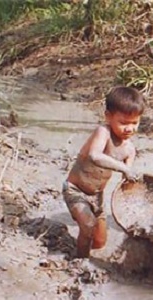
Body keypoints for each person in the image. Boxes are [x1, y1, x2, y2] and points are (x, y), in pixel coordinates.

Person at [63, 86, 144, 259]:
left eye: (135, 123)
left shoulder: (129, 150)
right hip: (75, 189)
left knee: (100, 241)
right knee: (88, 226)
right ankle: (80, 262)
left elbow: (126, 184)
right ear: (108, 116)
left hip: (97, 196)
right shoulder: (103, 132)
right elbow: (94, 156)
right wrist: (123, 168)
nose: (129, 128)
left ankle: (85, 252)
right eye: (123, 123)